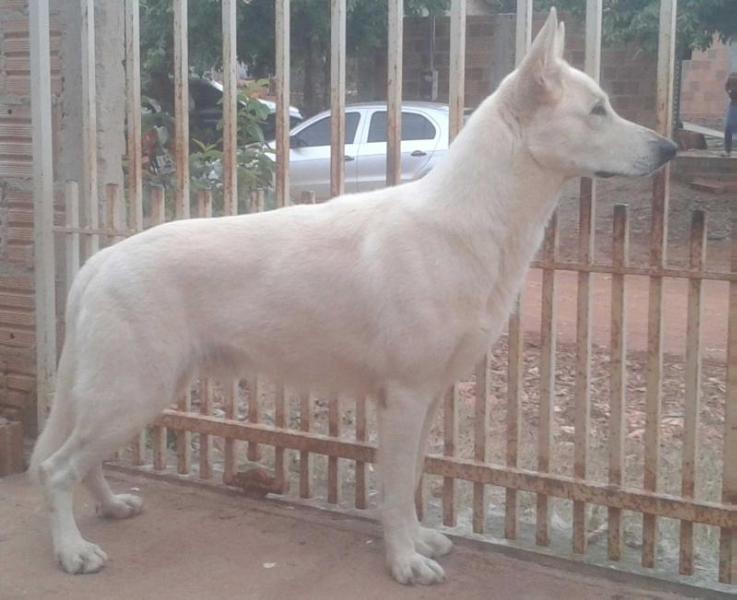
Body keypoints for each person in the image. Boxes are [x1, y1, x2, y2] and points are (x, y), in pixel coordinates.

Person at [725, 73, 737, 157]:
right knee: (728, 127)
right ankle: (727, 150)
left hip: (734, 105)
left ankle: (727, 150)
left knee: (728, 127)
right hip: (733, 105)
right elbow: (727, 87)